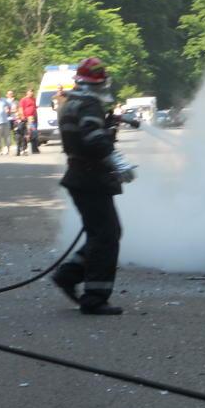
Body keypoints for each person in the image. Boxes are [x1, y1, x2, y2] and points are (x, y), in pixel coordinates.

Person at [51, 57, 136, 315]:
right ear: (98, 82)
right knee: (106, 235)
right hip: (90, 177)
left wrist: (110, 122)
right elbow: (92, 137)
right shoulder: (88, 103)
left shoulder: (71, 102)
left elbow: (84, 132)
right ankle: (95, 297)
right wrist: (119, 163)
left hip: (81, 175)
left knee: (102, 233)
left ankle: (69, 274)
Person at [18, 88, 39, 154]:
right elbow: (21, 109)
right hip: (27, 119)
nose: (31, 93)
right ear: (27, 92)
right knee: (27, 134)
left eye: (32, 92)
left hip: (33, 118)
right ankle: (24, 148)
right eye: (30, 92)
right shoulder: (23, 100)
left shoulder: (34, 99)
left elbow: (35, 108)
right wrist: (23, 117)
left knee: (34, 133)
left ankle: (35, 149)